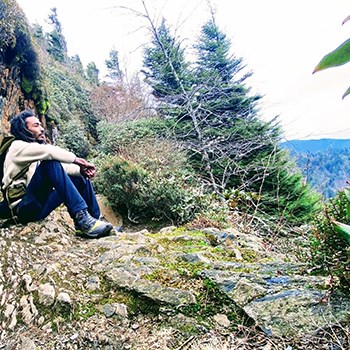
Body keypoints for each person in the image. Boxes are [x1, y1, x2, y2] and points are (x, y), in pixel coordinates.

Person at [1, 109, 113, 238]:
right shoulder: (17, 147)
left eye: (41, 125)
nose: (42, 129)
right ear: (24, 129)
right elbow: (50, 153)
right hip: (24, 208)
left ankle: (92, 221)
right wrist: (76, 160)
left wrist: (80, 170)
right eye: (36, 125)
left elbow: (61, 169)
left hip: (38, 207)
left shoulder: (33, 153)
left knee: (80, 178)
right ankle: (82, 219)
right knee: (50, 162)